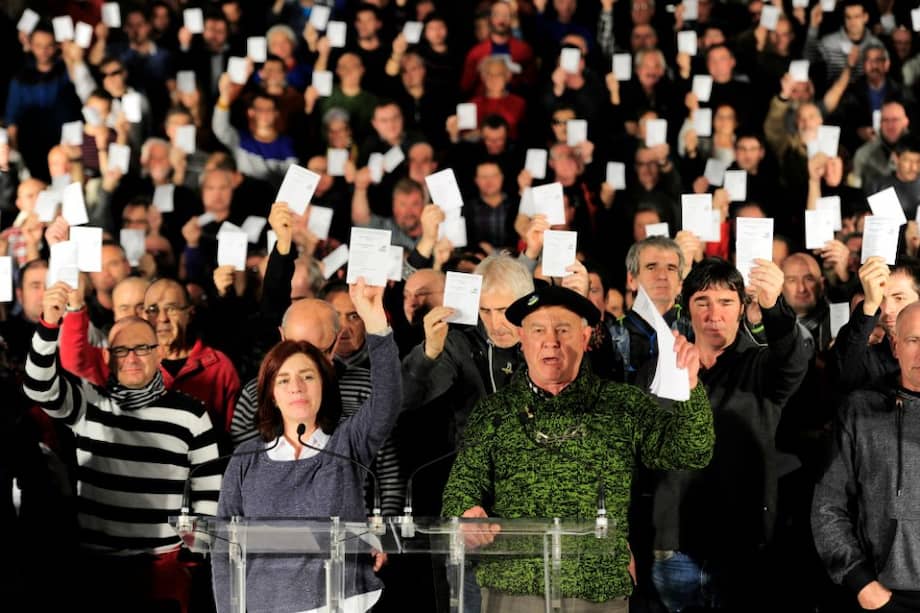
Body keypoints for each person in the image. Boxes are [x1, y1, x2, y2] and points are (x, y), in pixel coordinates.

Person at [442, 285, 714, 612]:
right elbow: (461, 488)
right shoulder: (494, 413)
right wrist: (467, 514)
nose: (551, 341)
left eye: (563, 330)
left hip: (596, 591)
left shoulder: (621, 405)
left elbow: (690, 451)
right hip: (513, 590)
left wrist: (691, 390)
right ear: (522, 339)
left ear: (585, 339)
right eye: (538, 330)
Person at [24, 281, 222, 613]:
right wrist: (48, 324)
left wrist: (193, 562)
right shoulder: (90, 401)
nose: (132, 358)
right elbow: (37, 387)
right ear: (107, 356)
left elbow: (209, 494)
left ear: (158, 351)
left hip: (164, 570)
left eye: (142, 348)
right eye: (121, 350)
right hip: (97, 568)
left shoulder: (192, 413)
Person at [212, 278, 401, 613]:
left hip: (345, 603)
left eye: (308, 376)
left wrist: (375, 324)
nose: (296, 387)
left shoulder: (346, 444)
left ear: (324, 385)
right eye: (283, 380)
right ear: (271, 393)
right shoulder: (246, 460)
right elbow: (224, 548)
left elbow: (387, 398)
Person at [649, 257, 810, 612]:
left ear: (741, 309)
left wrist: (774, 307)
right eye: (702, 302)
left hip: (742, 547)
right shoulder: (660, 368)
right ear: (686, 308)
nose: (713, 314)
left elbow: (791, 360)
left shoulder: (761, 366)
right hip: (674, 548)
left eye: (725, 302)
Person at [811, 301, 920, 613]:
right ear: (895, 346)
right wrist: (860, 582)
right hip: (882, 595)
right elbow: (826, 507)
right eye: (914, 341)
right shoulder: (859, 409)